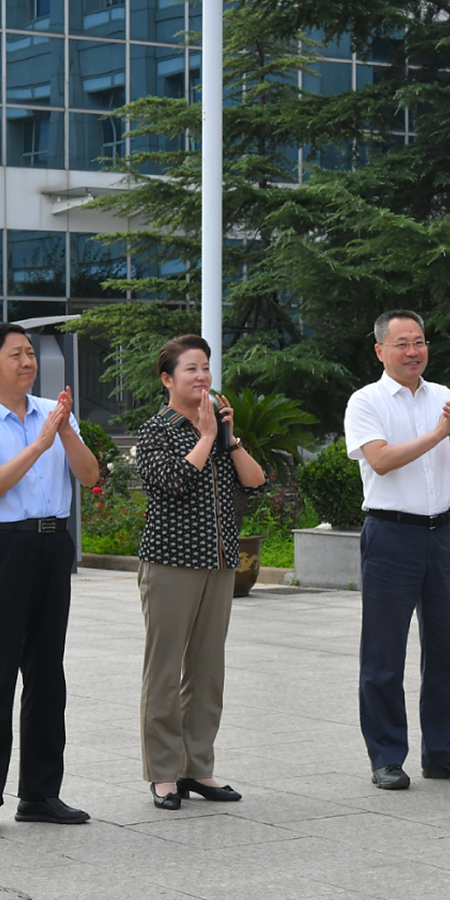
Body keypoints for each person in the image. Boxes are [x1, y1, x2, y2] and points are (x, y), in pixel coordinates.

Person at [0, 322, 101, 836]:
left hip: (51, 544)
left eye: (30, 353)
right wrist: (38, 445)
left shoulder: (52, 415)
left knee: (46, 672)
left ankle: (40, 793)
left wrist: (64, 430)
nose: (28, 362)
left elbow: (90, 475)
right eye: (16, 355)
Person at [344, 309, 450, 790]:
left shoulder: (444, 397)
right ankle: (386, 756)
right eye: (402, 343)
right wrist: (438, 432)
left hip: (441, 534)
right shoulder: (365, 401)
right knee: (383, 653)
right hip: (391, 535)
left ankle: (444, 752)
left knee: (444, 648)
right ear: (381, 350)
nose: (413, 351)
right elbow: (381, 461)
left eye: (420, 341)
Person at [134, 335, 266, 810]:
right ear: (168, 379)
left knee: (208, 671)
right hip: (170, 562)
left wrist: (226, 439)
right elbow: (171, 483)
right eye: (191, 369)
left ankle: (198, 768)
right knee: (165, 670)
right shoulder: (156, 430)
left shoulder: (220, 427)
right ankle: (164, 773)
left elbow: (256, 482)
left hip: (219, 562)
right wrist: (206, 438)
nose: (202, 377)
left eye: (206, 367)